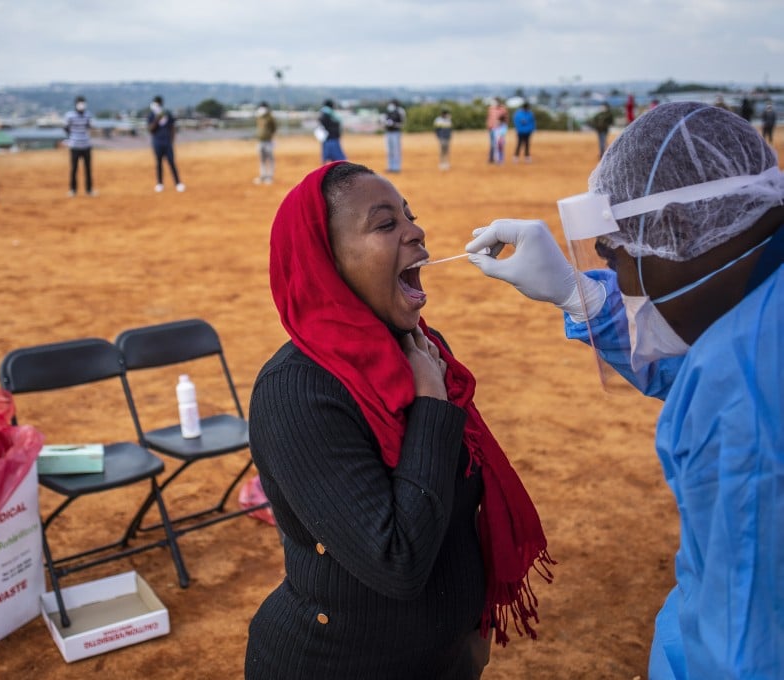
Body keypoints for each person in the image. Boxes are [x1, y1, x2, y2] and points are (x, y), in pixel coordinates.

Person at [464, 102, 783, 680]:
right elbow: (690, 365)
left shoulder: (741, 398)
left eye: (614, 255)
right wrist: (579, 297)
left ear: (680, 232)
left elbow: (744, 649)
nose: (619, 280)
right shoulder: (758, 316)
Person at [244, 160, 555, 679]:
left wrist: (466, 634)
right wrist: (430, 408)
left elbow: (452, 503)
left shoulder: (422, 350)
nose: (417, 231)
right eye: (386, 224)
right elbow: (396, 560)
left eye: (409, 217)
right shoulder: (296, 392)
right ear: (328, 262)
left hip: (445, 655)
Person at [147, 95, 184, 192]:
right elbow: (150, 129)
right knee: (159, 163)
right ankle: (160, 184)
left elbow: (172, 127)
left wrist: (171, 140)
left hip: (167, 142)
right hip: (157, 142)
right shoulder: (152, 115)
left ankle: (178, 183)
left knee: (171, 162)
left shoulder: (167, 114)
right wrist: (157, 119)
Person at [64, 95, 96, 196]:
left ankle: (89, 190)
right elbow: (66, 128)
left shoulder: (88, 115)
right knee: (74, 169)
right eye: (80, 103)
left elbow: (90, 127)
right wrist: (72, 137)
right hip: (74, 146)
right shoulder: (69, 116)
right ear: (76, 104)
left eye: (83, 103)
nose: (81, 105)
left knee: (88, 169)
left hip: (86, 145)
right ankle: (73, 190)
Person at [254, 101, 277, 185]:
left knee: (270, 159)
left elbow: (274, 128)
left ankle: (270, 176)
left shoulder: (270, 117)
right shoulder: (259, 117)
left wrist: (270, 136)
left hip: (268, 141)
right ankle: (262, 176)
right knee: (262, 160)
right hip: (260, 141)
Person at [317, 99, 346, 163]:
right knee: (339, 160)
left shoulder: (324, 114)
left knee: (327, 159)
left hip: (327, 139)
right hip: (332, 138)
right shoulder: (328, 114)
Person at [382, 98, 405, 173]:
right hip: (388, 132)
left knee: (396, 150)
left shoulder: (400, 111)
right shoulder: (388, 111)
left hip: (396, 133)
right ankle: (390, 167)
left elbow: (402, 123)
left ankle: (396, 167)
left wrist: (394, 124)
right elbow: (384, 120)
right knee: (389, 151)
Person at [485, 97, 507, 163]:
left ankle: (500, 159)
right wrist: (489, 126)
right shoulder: (491, 109)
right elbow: (488, 118)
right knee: (493, 144)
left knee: (500, 145)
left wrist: (504, 126)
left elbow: (505, 118)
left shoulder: (503, 109)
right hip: (492, 129)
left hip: (500, 129)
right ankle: (492, 158)